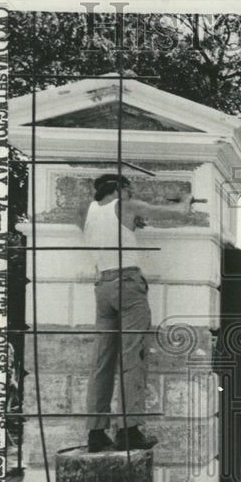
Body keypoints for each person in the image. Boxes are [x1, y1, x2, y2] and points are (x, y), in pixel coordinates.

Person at [83, 174, 192, 452]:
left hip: (102, 286)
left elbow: (108, 235)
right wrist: (186, 201)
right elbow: (178, 213)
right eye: (129, 191)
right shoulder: (125, 205)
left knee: (102, 362)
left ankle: (96, 434)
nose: (131, 196)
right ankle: (129, 431)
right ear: (121, 189)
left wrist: (131, 227)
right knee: (133, 357)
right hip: (128, 285)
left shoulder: (87, 211)